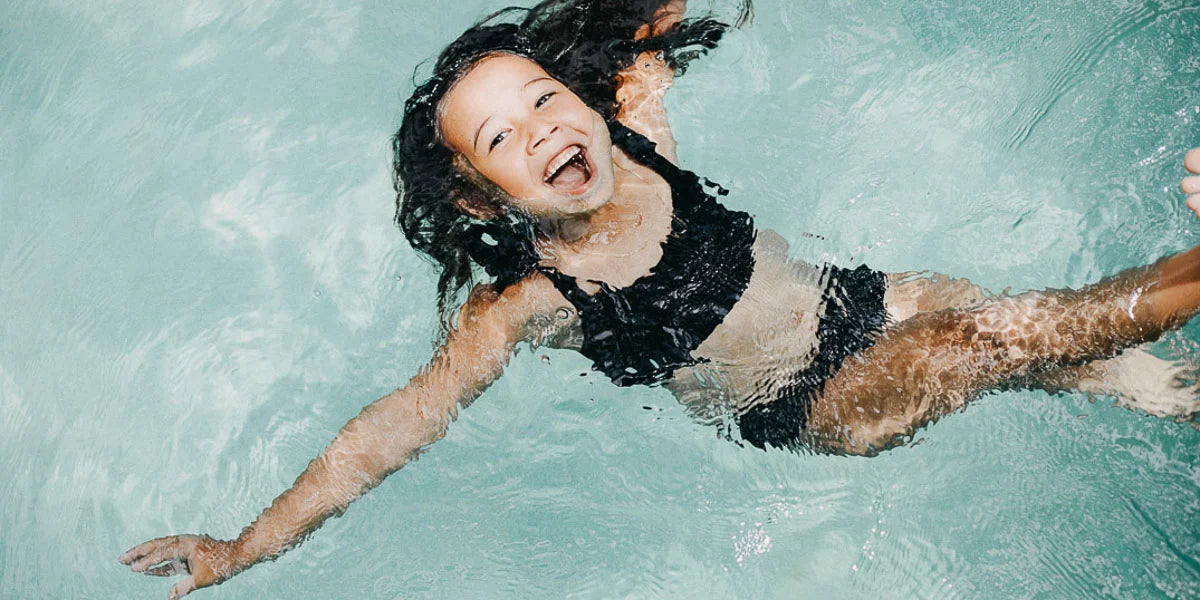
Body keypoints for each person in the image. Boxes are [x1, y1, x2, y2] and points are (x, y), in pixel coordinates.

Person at [120, 1, 1200, 597]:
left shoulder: (637, 125)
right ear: (480, 191)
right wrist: (243, 545)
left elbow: (652, 20)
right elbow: (387, 432)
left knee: (1003, 326)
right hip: (816, 400)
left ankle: (1119, 380)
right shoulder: (535, 299)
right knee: (998, 336)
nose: (544, 129)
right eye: (505, 138)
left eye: (544, 98)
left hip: (856, 296)